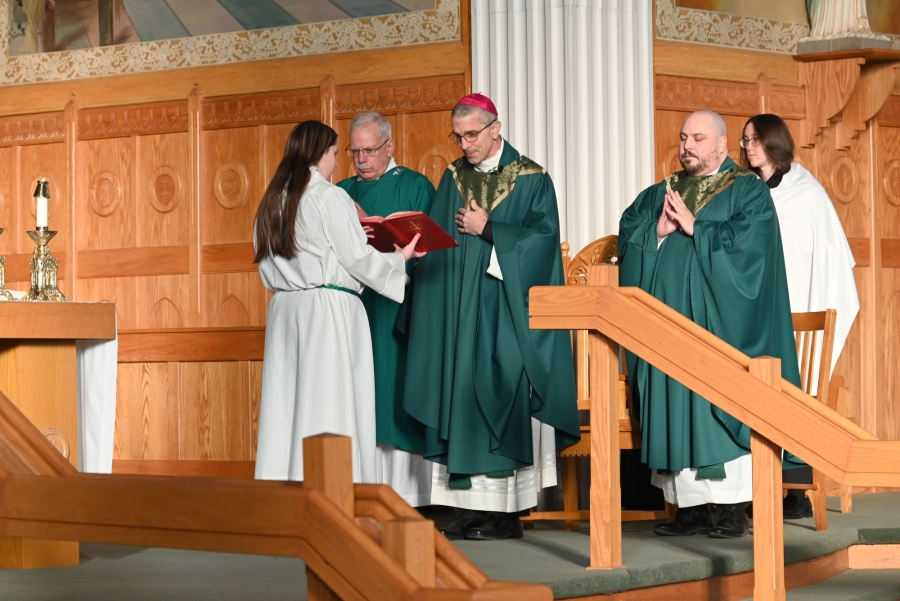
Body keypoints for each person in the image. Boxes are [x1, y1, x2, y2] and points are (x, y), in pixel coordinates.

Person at [403, 93, 580, 541]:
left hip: (505, 308)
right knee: (459, 391)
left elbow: (543, 244)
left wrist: (490, 230)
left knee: (502, 389)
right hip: (460, 309)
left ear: (495, 128)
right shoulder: (454, 177)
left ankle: (504, 513)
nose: (465, 145)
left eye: (472, 135)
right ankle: (467, 509)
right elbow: (440, 241)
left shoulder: (532, 178)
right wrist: (419, 252)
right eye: (458, 136)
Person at [618, 110, 801, 539]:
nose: (687, 146)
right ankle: (690, 508)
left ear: (721, 145)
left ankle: (733, 508)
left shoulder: (748, 189)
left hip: (720, 327)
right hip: (667, 326)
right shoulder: (662, 191)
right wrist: (657, 231)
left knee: (721, 399)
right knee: (673, 398)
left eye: (698, 138)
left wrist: (696, 227)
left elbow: (751, 249)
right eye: (684, 138)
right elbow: (630, 230)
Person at [253, 120, 423, 484]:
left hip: (285, 309)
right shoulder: (328, 195)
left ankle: (285, 485)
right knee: (329, 401)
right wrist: (400, 259)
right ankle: (335, 487)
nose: (337, 161)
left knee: (288, 402)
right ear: (320, 154)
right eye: (335, 153)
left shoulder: (271, 200)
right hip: (327, 310)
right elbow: (356, 258)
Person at [741, 113, 860, 519]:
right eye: (745, 140)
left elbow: (825, 260)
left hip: (797, 315)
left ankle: (795, 494)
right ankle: (752, 488)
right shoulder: (745, 191)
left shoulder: (806, 194)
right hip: (756, 311)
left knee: (792, 391)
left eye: (756, 139)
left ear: (774, 141)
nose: (749, 147)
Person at [337, 111, 436, 506]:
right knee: (360, 392)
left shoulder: (415, 185)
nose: (361, 159)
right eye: (355, 151)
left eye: (370, 150)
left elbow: (433, 246)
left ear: (389, 146)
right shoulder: (340, 192)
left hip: (401, 306)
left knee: (394, 389)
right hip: (357, 305)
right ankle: (361, 486)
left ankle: (408, 493)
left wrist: (404, 254)